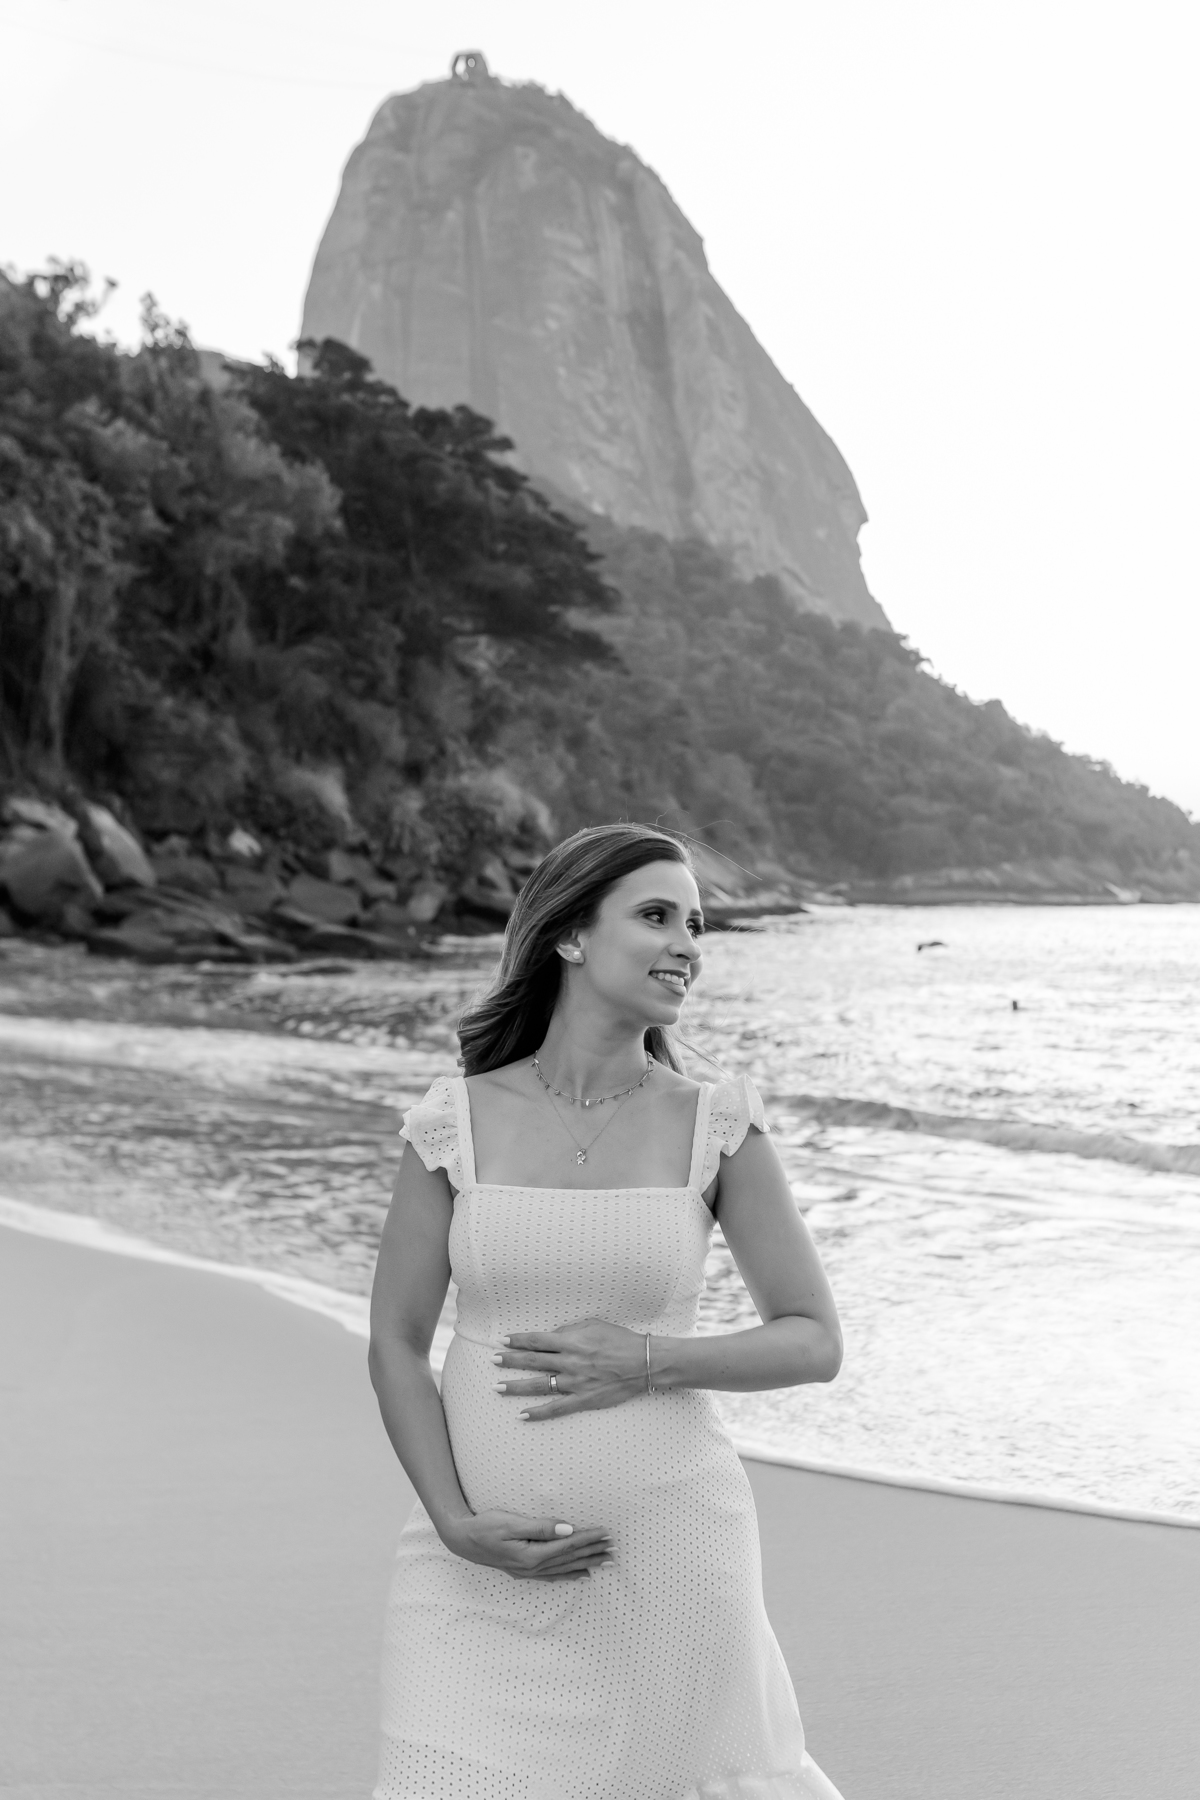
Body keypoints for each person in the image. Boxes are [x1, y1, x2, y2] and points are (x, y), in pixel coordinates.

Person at [368, 823, 846, 1800]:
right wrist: (453, 1521)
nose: (688, 944)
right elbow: (396, 1341)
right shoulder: (451, 1121)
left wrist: (649, 1362)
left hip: (669, 1562)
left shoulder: (716, 1125)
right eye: (657, 916)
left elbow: (813, 1339)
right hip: (473, 1571)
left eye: (696, 924)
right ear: (570, 936)